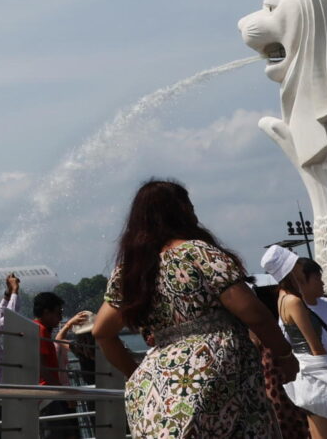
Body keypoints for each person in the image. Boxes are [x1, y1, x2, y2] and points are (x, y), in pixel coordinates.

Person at [91, 178, 292, 439]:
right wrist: (284, 356)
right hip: (217, 372)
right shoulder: (199, 253)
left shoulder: (132, 270)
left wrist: (136, 373)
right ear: (180, 211)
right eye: (190, 206)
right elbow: (253, 313)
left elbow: (101, 332)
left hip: (157, 387)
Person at [265, 247, 327, 437]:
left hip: (307, 378)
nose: (300, 267)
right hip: (319, 378)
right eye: (297, 263)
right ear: (291, 269)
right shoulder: (294, 301)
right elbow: (316, 347)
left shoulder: (282, 299)